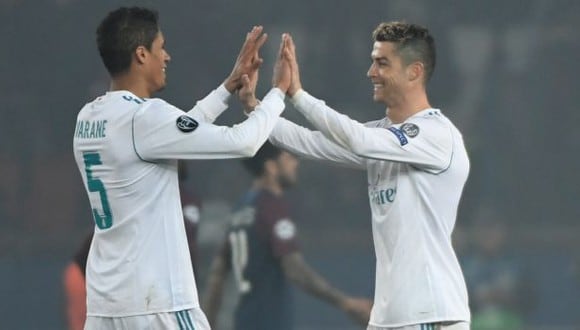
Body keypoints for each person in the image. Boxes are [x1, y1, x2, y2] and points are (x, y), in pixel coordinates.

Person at [72, 6, 292, 329]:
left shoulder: (88, 118)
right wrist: (278, 94)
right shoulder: (144, 117)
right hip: (158, 304)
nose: (168, 57)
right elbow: (243, 142)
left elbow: (172, 133)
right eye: (161, 47)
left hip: (105, 305)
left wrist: (227, 88)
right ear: (141, 54)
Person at [257, 22, 471, 330]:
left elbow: (358, 139)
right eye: (373, 61)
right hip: (388, 318)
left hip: (431, 314)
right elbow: (309, 143)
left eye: (382, 63)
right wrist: (253, 106)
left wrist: (299, 96)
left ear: (414, 72)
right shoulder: (383, 137)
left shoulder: (437, 135)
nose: (371, 72)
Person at [202, 142, 372, 330]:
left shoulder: (240, 208)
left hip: (244, 320)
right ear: (271, 167)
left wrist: (206, 324)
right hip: (268, 320)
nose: (295, 163)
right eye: (289, 158)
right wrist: (344, 302)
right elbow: (294, 269)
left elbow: (217, 275)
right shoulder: (271, 206)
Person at [63, 164, 202, 330]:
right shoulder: (134, 201)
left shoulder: (192, 201)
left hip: (183, 304)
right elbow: (77, 268)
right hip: (141, 310)